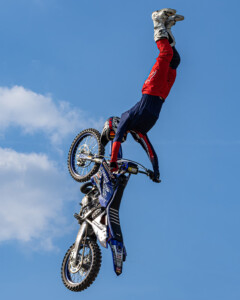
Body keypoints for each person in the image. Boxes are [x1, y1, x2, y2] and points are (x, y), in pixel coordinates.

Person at [102, 8, 184, 182]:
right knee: (175, 61)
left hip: (152, 89)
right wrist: (156, 171)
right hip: (163, 94)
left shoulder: (126, 118)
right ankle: (167, 28)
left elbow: (116, 140)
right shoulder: (140, 132)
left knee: (165, 54)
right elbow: (149, 149)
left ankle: (157, 21)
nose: (123, 136)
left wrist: (113, 162)